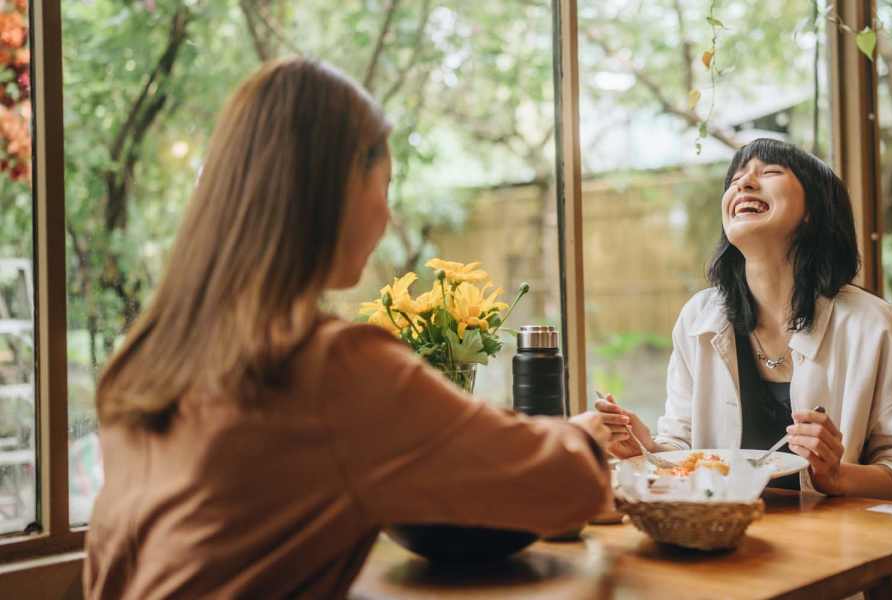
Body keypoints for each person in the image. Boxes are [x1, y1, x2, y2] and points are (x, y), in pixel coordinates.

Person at [83, 59, 612, 599]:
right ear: (332, 189)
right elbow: (567, 486)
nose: (385, 215)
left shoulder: (146, 361)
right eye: (383, 184)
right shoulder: (328, 367)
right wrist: (586, 439)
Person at [593, 138, 892, 505]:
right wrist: (645, 448)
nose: (744, 183)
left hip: (845, 550)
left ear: (813, 211)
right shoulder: (698, 320)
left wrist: (837, 476)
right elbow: (686, 451)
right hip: (724, 542)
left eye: (769, 172)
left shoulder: (870, 324)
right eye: (736, 179)